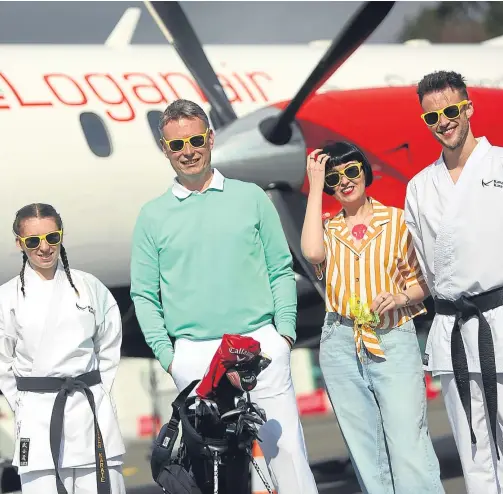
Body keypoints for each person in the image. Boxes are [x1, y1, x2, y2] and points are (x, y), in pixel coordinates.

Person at [129, 99, 318, 494]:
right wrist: (170, 357)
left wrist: (282, 336)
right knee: (212, 475)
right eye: (176, 145)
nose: (188, 151)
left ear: (211, 138)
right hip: (194, 358)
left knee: (287, 459)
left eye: (196, 139)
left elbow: (280, 269)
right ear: (165, 150)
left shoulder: (250, 198)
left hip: (258, 346)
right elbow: (144, 295)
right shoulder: (152, 216)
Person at [404, 70, 503, 494]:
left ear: (468, 108)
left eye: (451, 110)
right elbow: (430, 268)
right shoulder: (419, 188)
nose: (444, 122)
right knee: (477, 458)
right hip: (454, 329)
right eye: (432, 116)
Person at [300, 141, 444, 494]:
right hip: (340, 341)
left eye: (351, 171)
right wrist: (315, 186)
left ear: (365, 172)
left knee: (408, 439)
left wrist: (399, 296)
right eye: (335, 178)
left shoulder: (397, 221)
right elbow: (311, 252)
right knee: (365, 448)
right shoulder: (327, 229)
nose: (345, 181)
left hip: (391, 336)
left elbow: (423, 281)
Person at [0, 203, 126, 494]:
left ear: (61, 235)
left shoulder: (88, 286)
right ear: (19, 243)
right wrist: (24, 404)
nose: (44, 248)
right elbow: (3, 361)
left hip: (90, 410)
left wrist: (99, 391)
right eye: (33, 241)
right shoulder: (7, 297)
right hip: (37, 415)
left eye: (51, 238)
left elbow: (109, 341)